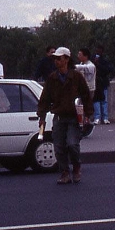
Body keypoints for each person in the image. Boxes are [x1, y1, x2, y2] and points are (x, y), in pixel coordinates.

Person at [36, 47, 93, 185]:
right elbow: (45, 99)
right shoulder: (52, 78)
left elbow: (86, 96)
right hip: (59, 117)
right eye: (55, 59)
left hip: (74, 117)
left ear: (66, 59)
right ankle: (65, 172)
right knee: (59, 147)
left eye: (59, 58)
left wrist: (88, 115)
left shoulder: (76, 77)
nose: (56, 61)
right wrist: (42, 117)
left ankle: (76, 167)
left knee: (73, 144)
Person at [92, 45, 112, 124]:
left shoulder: (105, 60)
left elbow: (108, 70)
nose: (98, 52)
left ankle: (105, 117)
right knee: (96, 100)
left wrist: (98, 64)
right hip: (95, 82)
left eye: (99, 50)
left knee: (104, 100)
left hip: (103, 82)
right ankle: (97, 117)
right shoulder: (92, 59)